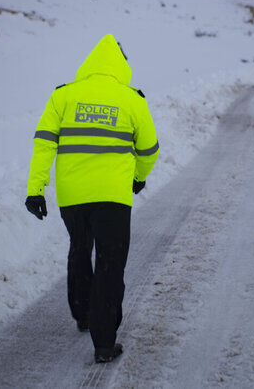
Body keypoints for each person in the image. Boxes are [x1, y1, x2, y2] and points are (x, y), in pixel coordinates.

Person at [25, 34, 159, 363]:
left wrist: (35, 188)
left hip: (73, 197)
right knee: (110, 264)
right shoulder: (132, 99)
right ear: (121, 66)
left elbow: (44, 143)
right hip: (113, 197)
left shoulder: (64, 96)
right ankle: (103, 342)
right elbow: (149, 149)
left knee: (80, 249)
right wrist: (138, 178)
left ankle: (84, 315)